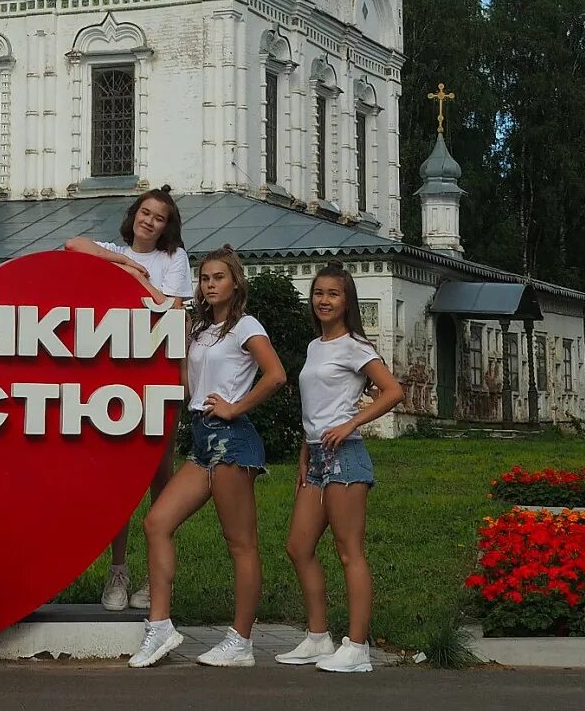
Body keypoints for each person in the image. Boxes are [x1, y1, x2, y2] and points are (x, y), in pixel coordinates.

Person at [131, 246, 285, 669]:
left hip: (232, 439)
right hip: (202, 440)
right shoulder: (201, 329)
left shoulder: (245, 327)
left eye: (218, 277)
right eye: (204, 278)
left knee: (240, 544)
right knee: (156, 522)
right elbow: (186, 382)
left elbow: (276, 375)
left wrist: (236, 406)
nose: (210, 284)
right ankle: (160, 626)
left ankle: (241, 642)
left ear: (235, 282)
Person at [66, 186, 191, 612]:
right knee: (121, 479)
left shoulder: (174, 260)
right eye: (145, 212)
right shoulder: (113, 251)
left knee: (159, 475)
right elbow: (72, 245)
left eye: (158, 217)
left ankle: (157, 578)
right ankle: (118, 571)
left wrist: (139, 281)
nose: (149, 221)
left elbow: (171, 310)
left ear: (166, 226)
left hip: (156, 373)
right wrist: (125, 263)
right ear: (134, 214)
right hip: (116, 377)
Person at [278, 262, 404, 674]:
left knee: (349, 552)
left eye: (333, 294)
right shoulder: (316, 347)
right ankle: (318, 638)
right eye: (318, 294)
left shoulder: (355, 347)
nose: (324, 301)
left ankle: (357, 646)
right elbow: (312, 409)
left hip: (346, 456)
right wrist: (303, 455)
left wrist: (352, 421)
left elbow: (393, 391)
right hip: (315, 458)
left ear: (346, 300)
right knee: (298, 546)